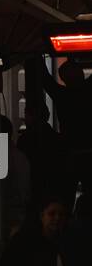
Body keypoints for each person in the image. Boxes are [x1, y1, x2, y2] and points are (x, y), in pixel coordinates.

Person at [40, 57, 92, 199]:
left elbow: (45, 79)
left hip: (70, 155)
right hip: (89, 154)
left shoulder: (62, 95)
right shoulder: (89, 90)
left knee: (65, 198)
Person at [17, 99, 69, 208]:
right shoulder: (57, 138)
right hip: (54, 189)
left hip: (34, 189)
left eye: (26, 115)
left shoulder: (25, 139)